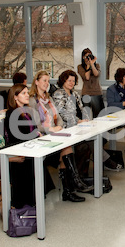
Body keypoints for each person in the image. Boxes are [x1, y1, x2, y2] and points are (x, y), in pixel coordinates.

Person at [29, 70, 93, 199]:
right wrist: (51, 129)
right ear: (36, 82)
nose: (47, 84)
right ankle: (72, 187)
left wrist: (58, 126)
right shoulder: (32, 101)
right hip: (42, 137)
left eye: (48, 81)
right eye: (44, 81)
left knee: (68, 147)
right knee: (68, 148)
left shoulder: (48, 97)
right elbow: (36, 125)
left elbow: (58, 116)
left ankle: (70, 189)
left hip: (55, 132)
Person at [52, 69, 122, 172]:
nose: (72, 83)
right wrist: (78, 121)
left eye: (73, 81)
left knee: (98, 137)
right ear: (63, 80)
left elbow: (83, 109)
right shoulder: (59, 94)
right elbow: (62, 112)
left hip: (79, 125)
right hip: (68, 127)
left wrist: (87, 120)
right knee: (89, 142)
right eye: (69, 80)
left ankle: (86, 171)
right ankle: (106, 162)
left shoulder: (75, 94)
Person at [4, 83, 57, 205]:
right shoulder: (11, 113)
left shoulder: (26, 111)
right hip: (20, 150)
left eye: (27, 92)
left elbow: (32, 130)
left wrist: (37, 135)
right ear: (15, 97)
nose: (27, 95)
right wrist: (36, 135)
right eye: (23, 93)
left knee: (56, 151)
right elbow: (18, 136)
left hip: (31, 145)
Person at [77, 48, 105, 118]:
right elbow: (87, 77)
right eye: (86, 57)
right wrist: (88, 66)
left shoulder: (97, 65)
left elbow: (96, 74)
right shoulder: (80, 67)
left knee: (99, 116)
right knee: (85, 116)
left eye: (89, 56)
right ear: (83, 57)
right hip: (86, 93)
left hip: (97, 92)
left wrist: (92, 64)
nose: (88, 58)